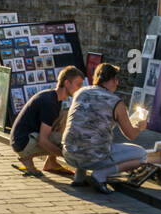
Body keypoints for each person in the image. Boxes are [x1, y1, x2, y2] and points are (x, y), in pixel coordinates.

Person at [61, 61, 154, 195]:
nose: (117, 83)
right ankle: (100, 175)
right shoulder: (116, 102)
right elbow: (131, 135)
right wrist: (140, 127)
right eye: (116, 79)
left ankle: (79, 176)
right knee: (142, 155)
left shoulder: (80, 92)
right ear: (111, 80)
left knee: (84, 134)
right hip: (94, 157)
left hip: (68, 153)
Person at [9, 66, 85, 175]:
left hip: (21, 138)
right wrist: (65, 155)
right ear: (67, 83)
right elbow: (43, 140)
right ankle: (27, 157)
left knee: (64, 117)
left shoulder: (54, 97)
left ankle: (51, 162)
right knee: (64, 141)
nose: (80, 89)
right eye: (78, 85)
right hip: (22, 143)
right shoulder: (49, 102)